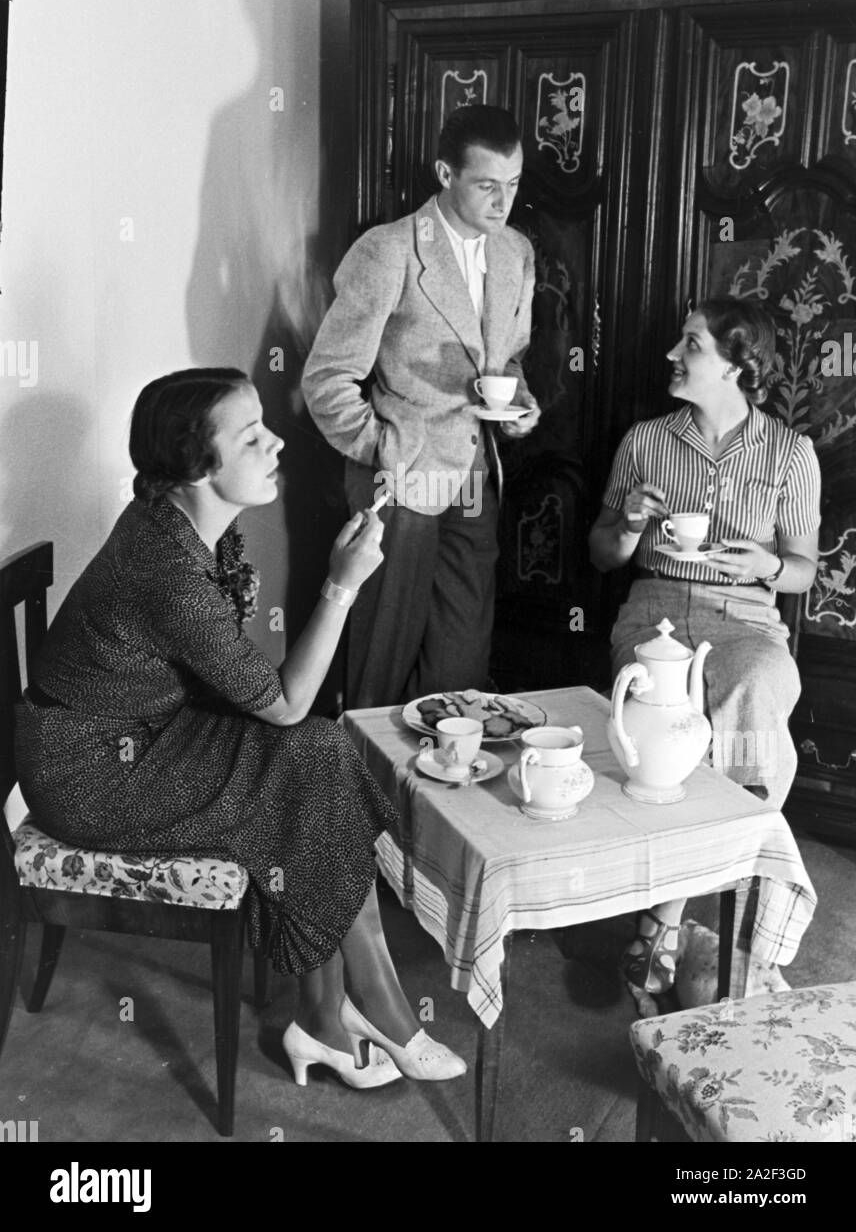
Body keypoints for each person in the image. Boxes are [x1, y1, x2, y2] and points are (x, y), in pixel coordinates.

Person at [15, 368, 466, 1085]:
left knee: (314, 752)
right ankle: (362, 1009)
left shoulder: (183, 522)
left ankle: (325, 1018)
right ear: (198, 466)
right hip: (90, 774)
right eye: (252, 435)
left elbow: (271, 701)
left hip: (147, 731)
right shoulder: (166, 568)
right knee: (304, 748)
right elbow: (282, 703)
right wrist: (342, 584)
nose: (277, 442)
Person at [589, 300, 820, 994]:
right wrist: (628, 523)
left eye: (689, 344)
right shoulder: (645, 440)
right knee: (663, 701)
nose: (672, 355)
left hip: (747, 617)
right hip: (655, 606)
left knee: (756, 688)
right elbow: (604, 555)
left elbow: (802, 569)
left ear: (735, 364)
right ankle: (729, 944)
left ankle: (669, 917)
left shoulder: (790, 453)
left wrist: (765, 568)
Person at [302, 105, 541, 709]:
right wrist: (385, 449)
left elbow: (506, 361)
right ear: (444, 172)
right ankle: (365, 795)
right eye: (487, 185)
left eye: (512, 185)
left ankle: (438, 795)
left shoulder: (515, 253)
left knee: (461, 661)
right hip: (398, 480)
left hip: (474, 476)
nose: (502, 202)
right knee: (382, 660)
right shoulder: (389, 251)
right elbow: (327, 379)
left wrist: (520, 404)